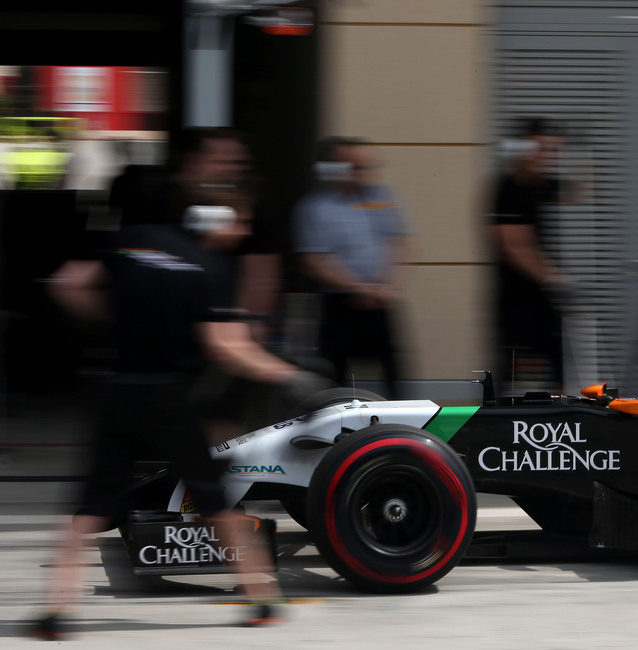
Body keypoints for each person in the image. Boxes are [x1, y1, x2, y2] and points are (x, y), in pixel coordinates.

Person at [27, 129, 313, 640]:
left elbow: (67, 284)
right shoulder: (207, 267)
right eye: (238, 220)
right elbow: (226, 346)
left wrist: (114, 318)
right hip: (170, 399)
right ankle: (263, 598)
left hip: (117, 391)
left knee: (90, 506)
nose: (242, 229)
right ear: (214, 218)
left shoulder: (128, 243)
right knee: (214, 501)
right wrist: (286, 373)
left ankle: (55, 610)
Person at [293, 137, 411, 398]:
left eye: (364, 166)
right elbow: (314, 260)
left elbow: (398, 243)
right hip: (339, 303)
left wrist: (386, 285)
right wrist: (357, 288)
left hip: (380, 300)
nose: (361, 173)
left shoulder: (383, 199)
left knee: (395, 375)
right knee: (336, 376)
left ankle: (404, 428)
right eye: (353, 166)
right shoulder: (315, 207)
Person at [489, 117, 568, 393]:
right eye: (542, 149)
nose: (548, 156)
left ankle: (563, 416)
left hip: (540, 295)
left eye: (553, 150)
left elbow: (582, 187)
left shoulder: (539, 185)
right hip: (517, 298)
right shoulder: (509, 189)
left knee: (559, 357)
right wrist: (553, 278)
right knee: (512, 366)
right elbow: (513, 245)